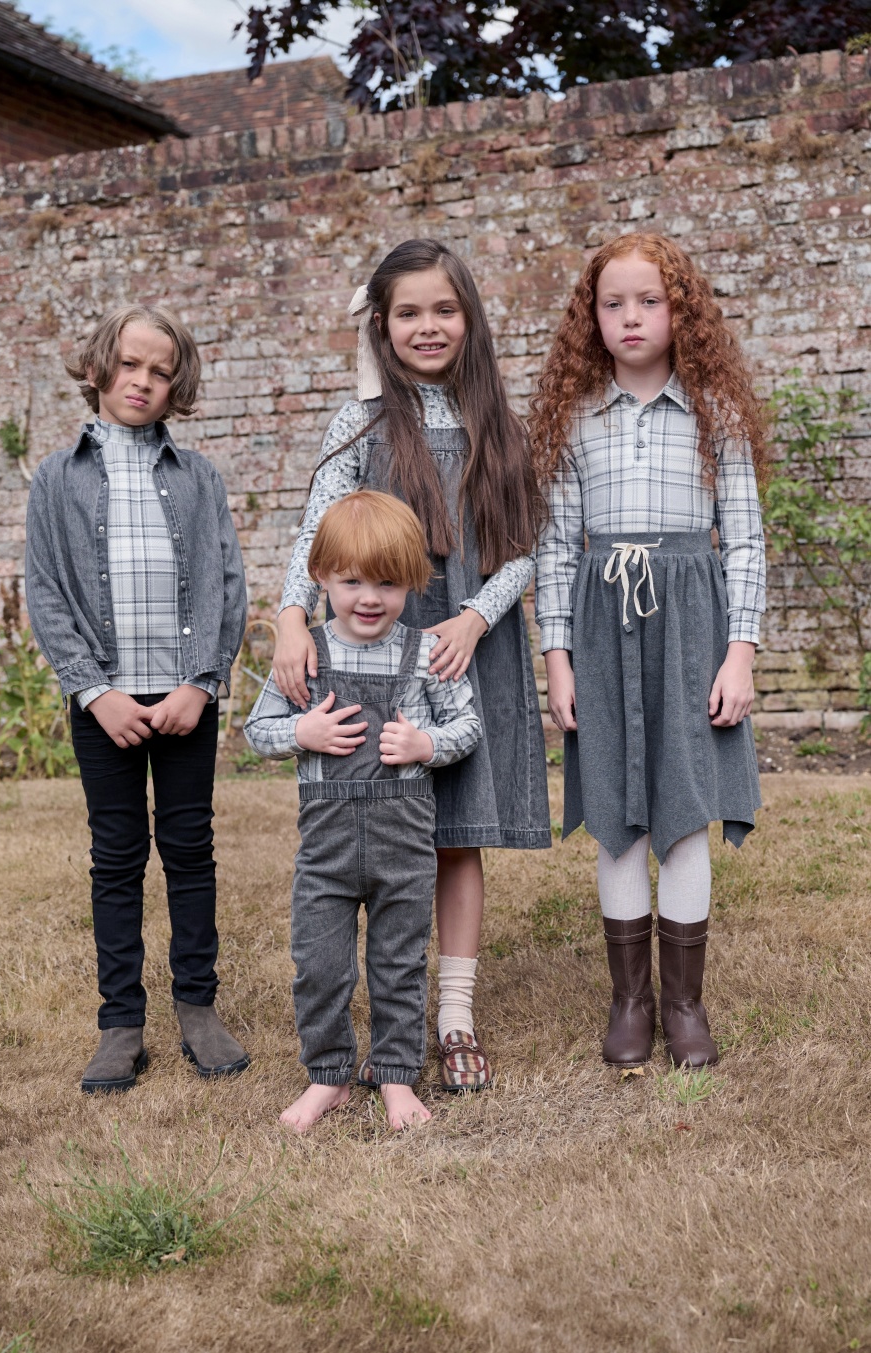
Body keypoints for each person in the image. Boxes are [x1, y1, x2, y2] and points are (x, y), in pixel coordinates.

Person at [270, 239, 551, 1090]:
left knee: (457, 835)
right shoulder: (358, 423)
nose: (428, 326)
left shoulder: (497, 427)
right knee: (386, 825)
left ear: (470, 318)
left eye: (444, 310)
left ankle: (454, 1016)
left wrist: (475, 616)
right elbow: (317, 530)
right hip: (374, 643)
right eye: (408, 313)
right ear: (382, 326)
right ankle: (365, 1007)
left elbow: (525, 548)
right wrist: (291, 618)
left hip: (463, 639)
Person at [531, 232, 767, 1069]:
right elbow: (554, 548)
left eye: (650, 301)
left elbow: (745, 540)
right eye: (612, 303)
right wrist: (558, 658)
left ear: (681, 311)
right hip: (603, 624)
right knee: (617, 816)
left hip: (692, 624)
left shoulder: (716, 412)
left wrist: (739, 654)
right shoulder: (574, 418)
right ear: (590, 317)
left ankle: (684, 1004)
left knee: (685, 812)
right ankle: (630, 1002)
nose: (630, 317)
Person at [25, 304, 248, 1093]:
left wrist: (201, 681)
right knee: (116, 856)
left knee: (189, 848)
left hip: (185, 697)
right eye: (129, 364)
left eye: (160, 371)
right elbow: (46, 591)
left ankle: (198, 1006)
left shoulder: (199, 478)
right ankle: (120, 1021)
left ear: (175, 385)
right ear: (96, 369)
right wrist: (94, 690)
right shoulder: (57, 478)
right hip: (105, 704)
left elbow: (226, 584)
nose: (143, 381)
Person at [245, 491, 481, 1130]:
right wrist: (302, 733)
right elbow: (258, 729)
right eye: (351, 582)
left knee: (398, 963)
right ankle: (328, 1077)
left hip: (403, 847)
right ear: (321, 577)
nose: (369, 598)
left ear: (411, 582)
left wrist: (425, 745)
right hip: (326, 851)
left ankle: (396, 1075)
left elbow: (467, 726)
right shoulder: (307, 655)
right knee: (319, 965)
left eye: (387, 583)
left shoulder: (425, 654)